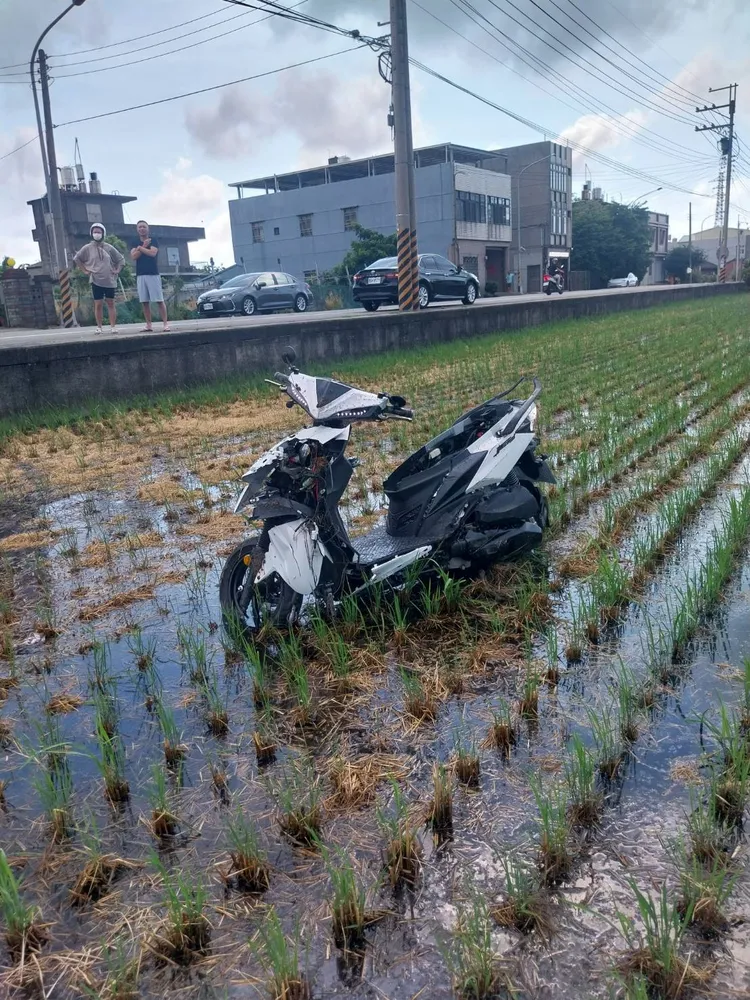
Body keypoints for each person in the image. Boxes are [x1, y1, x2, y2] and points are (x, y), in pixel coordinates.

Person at [73, 224, 124, 334]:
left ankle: (113, 326)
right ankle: (99, 327)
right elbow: (77, 258)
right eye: (95, 232)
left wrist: (117, 270)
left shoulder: (109, 247)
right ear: (91, 233)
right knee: (98, 304)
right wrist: (84, 270)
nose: (97, 234)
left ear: (103, 233)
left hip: (109, 280)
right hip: (95, 279)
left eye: (99, 232)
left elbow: (120, 259)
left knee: (111, 303)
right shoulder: (87, 248)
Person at [130, 220, 170, 332]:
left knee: (159, 300)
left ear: (148, 228)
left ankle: (165, 324)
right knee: (144, 301)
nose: (142, 229)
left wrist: (140, 248)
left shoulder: (154, 240)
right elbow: (133, 256)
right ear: (137, 229)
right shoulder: (134, 242)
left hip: (153, 273)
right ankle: (148, 325)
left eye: (144, 227)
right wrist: (143, 246)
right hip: (140, 274)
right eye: (140, 227)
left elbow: (152, 253)